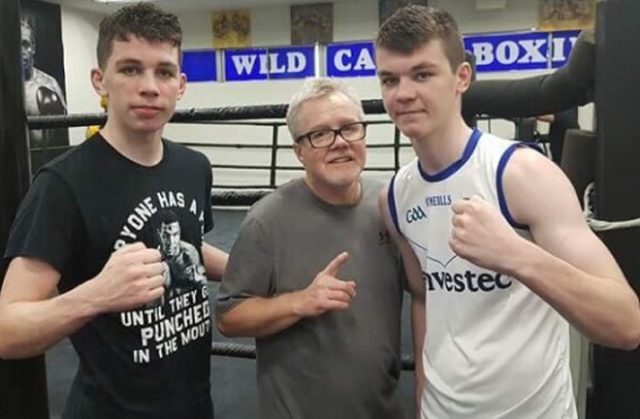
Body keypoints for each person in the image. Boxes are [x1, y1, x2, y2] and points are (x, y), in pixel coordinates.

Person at [374, 5, 640, 418]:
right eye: (390, 79)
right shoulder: (394, 196)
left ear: (461, 78)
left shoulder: (521, 175)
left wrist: (513, 254)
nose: (403, 93)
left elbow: (625, 323)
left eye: (422, 74)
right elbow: (425, 297)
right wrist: (424, 397)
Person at [0, 4, 228, 418]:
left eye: (163, 72)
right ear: (99, 80)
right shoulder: (63, 185)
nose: (149, 87)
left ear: (181, 84)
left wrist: (257, 270)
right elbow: (7, 330)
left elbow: (191, 243)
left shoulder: (193, 167)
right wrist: (96, 295)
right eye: (129, 69)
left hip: (194, 403)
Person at [215, 78, 406, 419]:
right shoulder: (267, 220)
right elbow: (229, 318)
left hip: (381, 409)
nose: (339, 143)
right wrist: (299, 302)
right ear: (299, 151)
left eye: (349, 128)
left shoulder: (389, 206)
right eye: (319, 134)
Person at [21, 16, 70, 170]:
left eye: (25, 44)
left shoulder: (49, 84)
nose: (21, 51)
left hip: (42, 170)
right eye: (15, 45)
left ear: (33, 48)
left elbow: (62, 137)